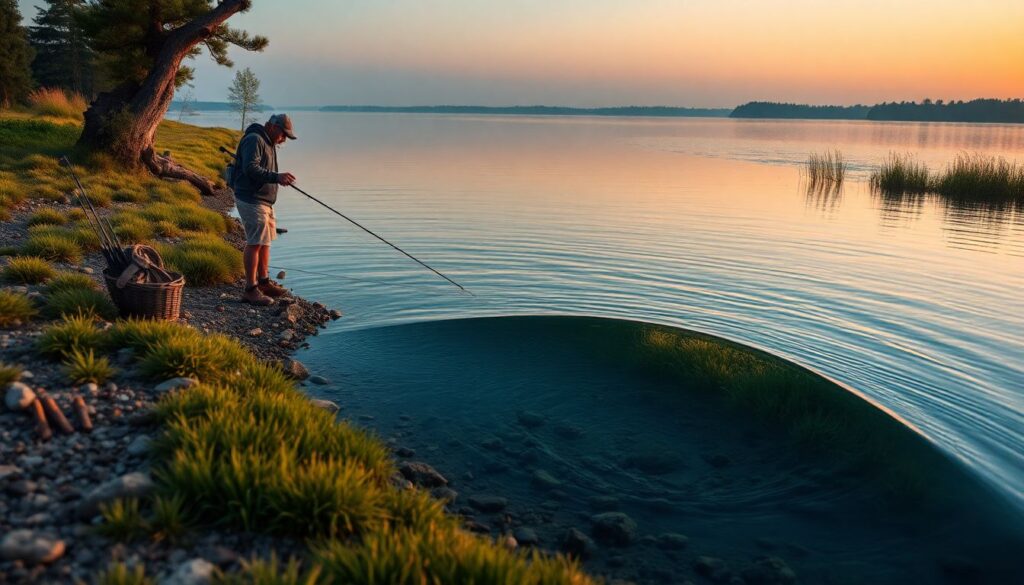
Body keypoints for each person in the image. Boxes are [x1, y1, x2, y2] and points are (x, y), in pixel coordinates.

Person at [232, 113, 298, 305]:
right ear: (273, 126)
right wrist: (277, 177)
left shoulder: (267, 141)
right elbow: (250, 168)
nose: (284, 139)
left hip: (264, 201)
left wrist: (276, 178)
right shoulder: (255, 139)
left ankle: (264, 282)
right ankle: (250, 290)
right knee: (255, 243)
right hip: (251, 199)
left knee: (266, 241)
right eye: (283, 134)